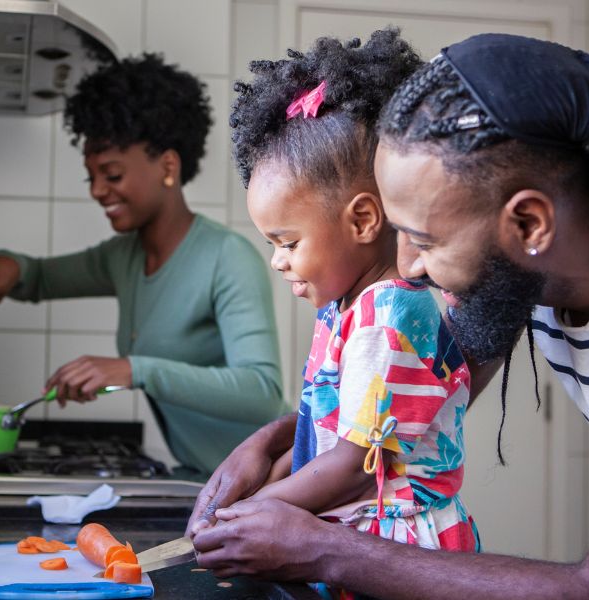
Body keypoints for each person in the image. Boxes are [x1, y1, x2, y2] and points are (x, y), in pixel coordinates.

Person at [190, 33, 589, 599]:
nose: (406, 268)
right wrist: (277, 441)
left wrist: (323, 548)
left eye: (424, 240)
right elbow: (405, 400)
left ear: (529, 225)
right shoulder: (535, 268)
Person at [225, 30, 478, 587]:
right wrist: (265, 471)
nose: (277, 261)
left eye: (288, 243)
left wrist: (249, 513)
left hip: (401, 547)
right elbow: (330, 429)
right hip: (358, 536)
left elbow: (350, 465)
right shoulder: (344, 309)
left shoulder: (387, 318)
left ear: (363, 221)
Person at [0, 54, 284, 476]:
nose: (97, 190)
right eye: (90, 176)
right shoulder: (122, 257)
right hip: (208, 479)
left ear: (168, 166)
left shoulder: (227, 256)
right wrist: (6, 266)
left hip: (275, 480)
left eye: (111, 174)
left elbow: (263, 392)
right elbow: (36, 277)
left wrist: (134, 370)